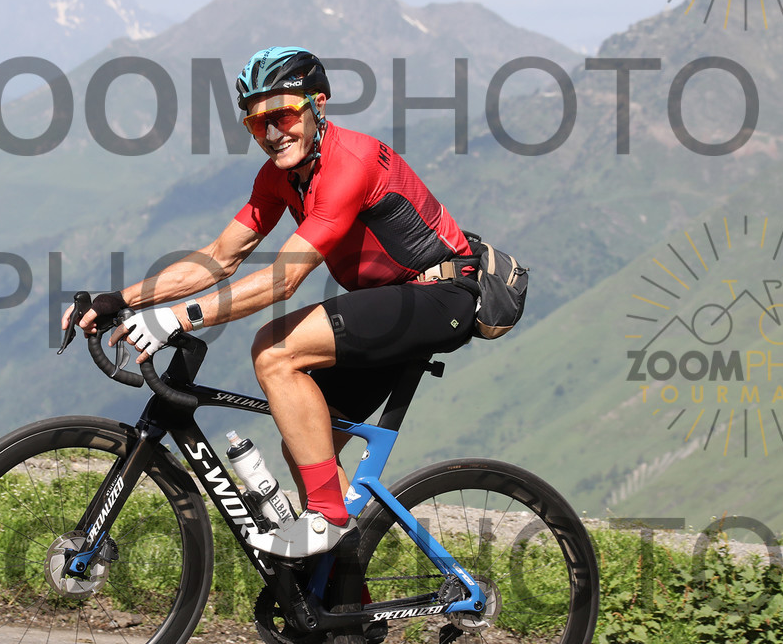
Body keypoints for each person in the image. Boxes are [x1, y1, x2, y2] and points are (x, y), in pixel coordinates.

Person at [63, 47, 478, 558]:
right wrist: (119, 299)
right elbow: (219, 257)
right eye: (257, 123)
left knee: (275, 350)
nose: (272, 132)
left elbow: (283, 280)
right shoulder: (279, 177)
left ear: (317, 106)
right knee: (306, 439)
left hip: (440, 296)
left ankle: (326, 519)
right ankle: (340, 590)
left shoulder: (350, 163)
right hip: (388, 304)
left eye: (282, 115)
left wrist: (176, 318)